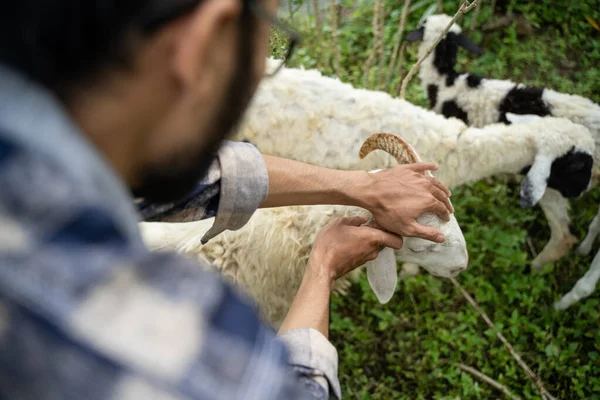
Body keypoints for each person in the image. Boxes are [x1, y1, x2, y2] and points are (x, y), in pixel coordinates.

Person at [0, 0, 453, 399]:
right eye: (271, 50)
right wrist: (321, 270)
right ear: (206, 38)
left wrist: (359, 186)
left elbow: (207, 175)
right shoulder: (122, 331)